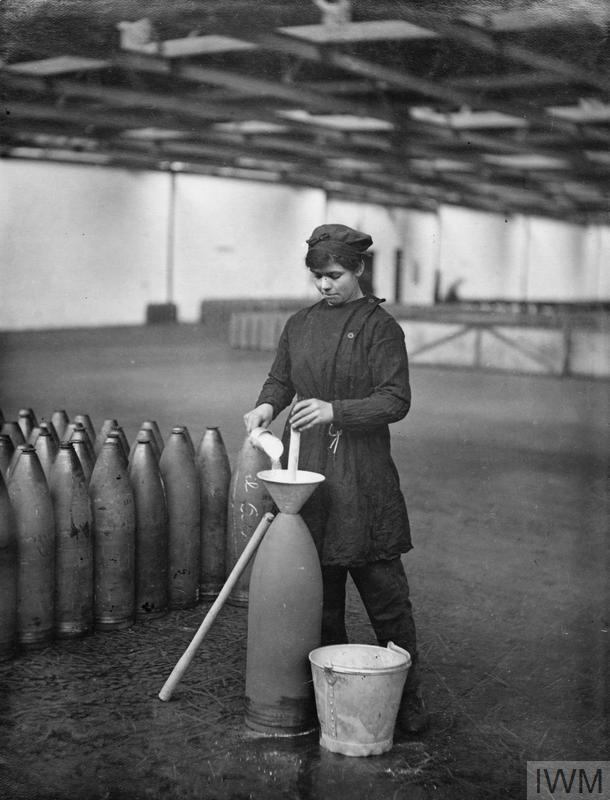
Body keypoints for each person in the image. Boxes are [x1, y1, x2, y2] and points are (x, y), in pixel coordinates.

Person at [243, 223, 428, 734]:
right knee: (319, 600)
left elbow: (396, 399)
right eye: (317, 277)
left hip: (361, 478)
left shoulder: (379, 327)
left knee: (385, 599)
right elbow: (281, 378)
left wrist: (334, 410)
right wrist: (265, 407)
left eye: (334, 275)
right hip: (305, 471)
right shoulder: (300, 324)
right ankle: (330, 700)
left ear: (359, 270)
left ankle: (407, 703)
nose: (324, 285)